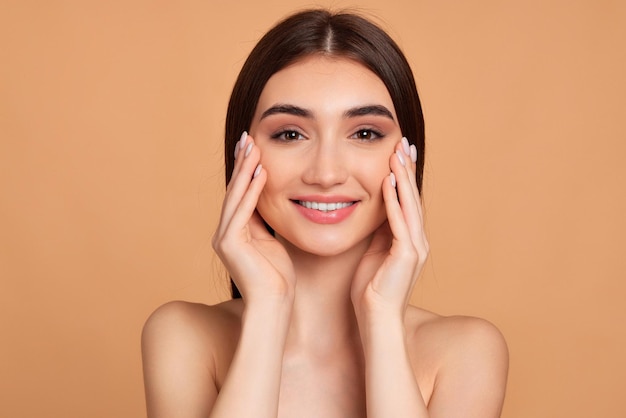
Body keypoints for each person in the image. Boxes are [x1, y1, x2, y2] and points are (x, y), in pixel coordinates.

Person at [141, 9, 508, 418]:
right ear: (243, 152)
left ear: (406, 156)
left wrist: (382, 318)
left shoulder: (465, 352)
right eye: (290, 133)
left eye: (365, 133)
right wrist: (267, 308)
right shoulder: (183, 337)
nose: (326, 173)